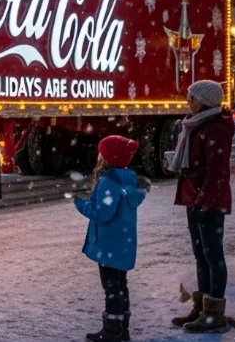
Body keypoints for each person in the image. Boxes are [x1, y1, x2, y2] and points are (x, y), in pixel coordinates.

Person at [168, 79, 234, 334]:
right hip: (195, 199)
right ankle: (202, 307)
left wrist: (204, 202)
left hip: (209, 203)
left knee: (212, 255)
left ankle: (214, 314)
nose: (188, 102)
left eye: (192, 98)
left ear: (205, 101)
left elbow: (217, 172)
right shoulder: (196, 125)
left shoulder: (214, 129)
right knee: (201, 256)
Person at [74, 135, 148, 342]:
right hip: (123, 243)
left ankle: (112, 331)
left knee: (111, 287)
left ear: (108, 158)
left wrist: (81, 205)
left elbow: (102, 213)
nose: (99, 156)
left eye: (102, 153)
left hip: (109, 244)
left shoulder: (109, 181)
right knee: (120, 285)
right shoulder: (128, 179)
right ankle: (122, 328)